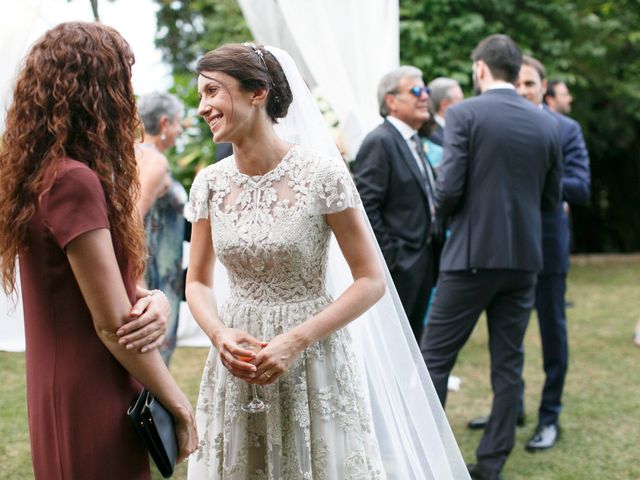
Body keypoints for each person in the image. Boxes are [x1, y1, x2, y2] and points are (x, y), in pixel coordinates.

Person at [185, 42, 469, 479]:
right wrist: (219, 334)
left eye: (212, 92)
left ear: (257, 92)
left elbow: (371, 279)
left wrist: (295, 340)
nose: (203, 107)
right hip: (236, 362)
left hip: (313, 358)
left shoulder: (321, 174)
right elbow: (199, 283)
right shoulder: (208, 184)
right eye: (201, 95)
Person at [0, 22, 197, 478]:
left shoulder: (42, 173)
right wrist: (178, 402)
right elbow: (112, 324)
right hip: (92, 388)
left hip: (59, 383)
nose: (130, 94)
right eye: (123, 79)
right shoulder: (73, 181)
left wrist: (154, 296)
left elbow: (95, 279)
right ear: (98, 89)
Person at [419, 34, 562, 480]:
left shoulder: (464, 113)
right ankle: (492, 464)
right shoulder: (547, 123)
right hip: (523, 260)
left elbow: (449, 187)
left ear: (480, 68)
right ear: (517, 70)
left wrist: (444, 218)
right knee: (508, 363)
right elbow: (550, 198)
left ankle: (428, 456)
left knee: (434, 360)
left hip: (471, 256)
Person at [515, 55, 590, 451]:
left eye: (530, 84)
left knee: (552, 334)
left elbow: (581, 187)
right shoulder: (499, 125)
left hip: (547, 247)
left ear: (543, 88)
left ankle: (549, 416)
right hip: (506, 247)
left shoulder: (566, 129)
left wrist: (546, 180)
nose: (523, 90)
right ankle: (512, 409)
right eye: (517, 84)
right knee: (507, 336)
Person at [353, 66, 439, 341]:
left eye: (426, 90)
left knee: (414, 340)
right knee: (393, 342)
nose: (425, 96)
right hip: (400, 265)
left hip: (424, 259)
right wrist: (392, 259)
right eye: (416, 90)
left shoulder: (414, 141)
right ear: (391, 100)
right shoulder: (380, 141)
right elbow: (366, 204)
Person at [136, 92, 188, 364]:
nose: (179, 130)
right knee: (154, 357)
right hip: (154, 276)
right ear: (165, 123)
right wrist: (138, 280)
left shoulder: (134, 154)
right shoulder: (154, 161)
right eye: (178, 123)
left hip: (158, 271)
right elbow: (132, 219)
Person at [426, 77, 464, 146]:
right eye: (460, 100)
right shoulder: (432, 136)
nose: (464, 104)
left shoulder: (457, 129)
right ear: (445, 105)